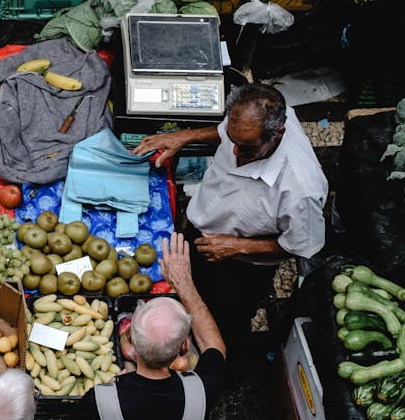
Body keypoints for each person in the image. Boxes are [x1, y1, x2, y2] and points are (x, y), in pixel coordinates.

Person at [132, 83, 328, 371]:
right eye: (233, 140)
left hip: (242, 266)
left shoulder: (301, 189)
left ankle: (222, 375)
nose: (235, 151)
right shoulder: (245, 126)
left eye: (247, 147)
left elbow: (304, 244)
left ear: (278, 135)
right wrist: (185, 136)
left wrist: (237, 246)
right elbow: (224, 134)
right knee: (184, 293)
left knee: (226, 321)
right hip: (203, 230)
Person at [47, 232, 225, 420]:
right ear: (184, 348)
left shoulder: (102, 400)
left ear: (130, 346)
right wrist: (185, 285)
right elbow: (215, 347)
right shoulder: (202, 389)